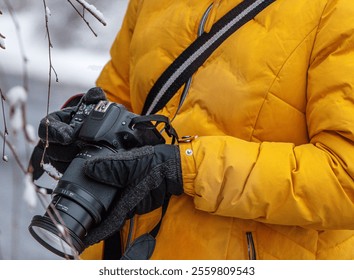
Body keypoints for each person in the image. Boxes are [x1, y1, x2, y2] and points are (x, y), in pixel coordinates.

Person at [32, 0, 354, 260]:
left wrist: (185, 168)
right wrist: (82, 125)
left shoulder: (338, 9)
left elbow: (346, 178)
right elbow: (121, 97)